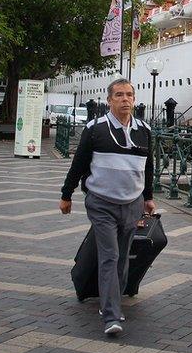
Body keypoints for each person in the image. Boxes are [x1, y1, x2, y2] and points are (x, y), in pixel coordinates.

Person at [60, 78, 156, 337]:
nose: (125, 99)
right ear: (109, 100)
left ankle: (111, 301)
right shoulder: (95, 129)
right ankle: (112, 315)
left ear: (134, 99)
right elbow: (78, 164)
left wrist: (148, 197)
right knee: (110, 255)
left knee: (122, 257)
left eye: (129, 95)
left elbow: (148, 168)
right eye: (120, 95)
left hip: (132, 204)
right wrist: (66, 195)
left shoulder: (144, 131)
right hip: (101, 203)